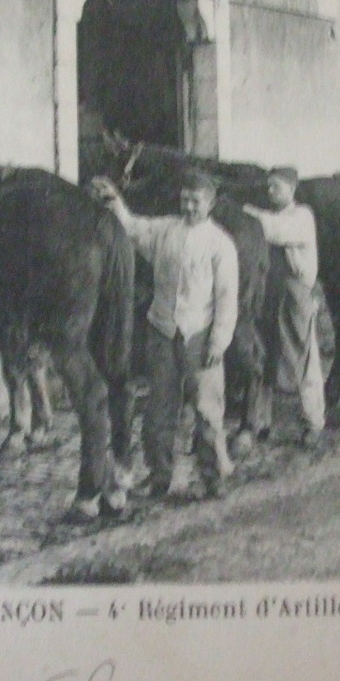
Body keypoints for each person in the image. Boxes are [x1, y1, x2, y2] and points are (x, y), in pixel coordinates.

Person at [93, 169, 239, 501]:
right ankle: (159, 475)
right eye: (185, 200)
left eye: (196, 202)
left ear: (210, 204)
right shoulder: (165, 230)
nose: (189, 207)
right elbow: (132, 227)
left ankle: (213, 476)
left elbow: (226, 299)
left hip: (200, 336)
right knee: (158, 410)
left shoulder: (221, 245)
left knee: (206, 410)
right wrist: (114, 200)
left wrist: (219, 340)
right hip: (162, 331)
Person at [242, 166, 326, 448]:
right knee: (265, 352)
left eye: (275, 187)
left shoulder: (301, 216)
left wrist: (246, 213)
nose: (270, 192)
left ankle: (313, 422)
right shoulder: (271, 215)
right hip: (271, 290)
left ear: (291, 189)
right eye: (268, 187)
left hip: (295, 291)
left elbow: (276, 232)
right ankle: (260, 420)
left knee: (303, 353)